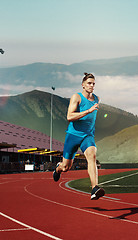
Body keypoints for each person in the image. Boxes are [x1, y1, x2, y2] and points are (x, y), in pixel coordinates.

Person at [53, 72, 105, 200]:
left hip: (87, 136)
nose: (92, 85)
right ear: (83, 85)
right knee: (66, 167)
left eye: (93, 83)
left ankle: (94, 188)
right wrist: (88, 111)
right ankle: (57, 169)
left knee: (92, 155)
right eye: (89, 83)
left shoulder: (97, 99)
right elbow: (69, 116)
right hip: (73, 135)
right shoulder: (77, 97)